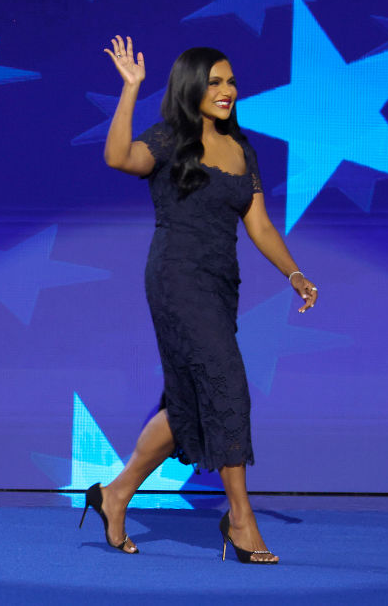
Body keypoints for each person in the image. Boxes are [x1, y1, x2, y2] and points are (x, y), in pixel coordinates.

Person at [78, 36, 318, 564]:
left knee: (187, 405)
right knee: (227, 383)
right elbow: (118, 157)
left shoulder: (243, 148)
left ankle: (114, 494)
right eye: (214, 83)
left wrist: (294, 272)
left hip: (219, 284)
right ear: (192, 88)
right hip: (175, 279)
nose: (227, 91)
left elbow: (257, 223)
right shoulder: (170, 139)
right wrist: (130, 89)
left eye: (231, 81)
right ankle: (240, 519)